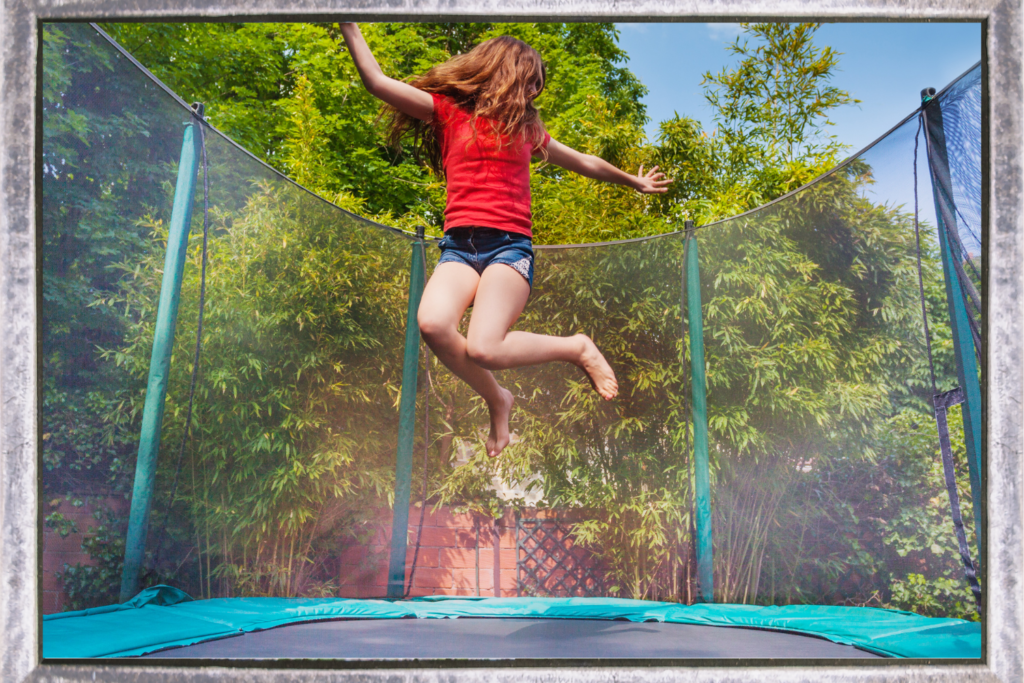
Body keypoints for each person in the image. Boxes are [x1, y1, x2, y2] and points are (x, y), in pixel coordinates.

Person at [339, 23, 671, 457]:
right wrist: (349, 25)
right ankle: (498, 398)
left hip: (508, 247)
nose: (534, 92)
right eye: (530, 81)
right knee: (434, 325)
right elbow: (377, 83)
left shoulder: (528, 130)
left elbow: (584, 161)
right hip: (459, 246)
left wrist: (633, 182)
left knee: (484, 347)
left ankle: (576, 347)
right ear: (503, 72)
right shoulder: (448, 111)